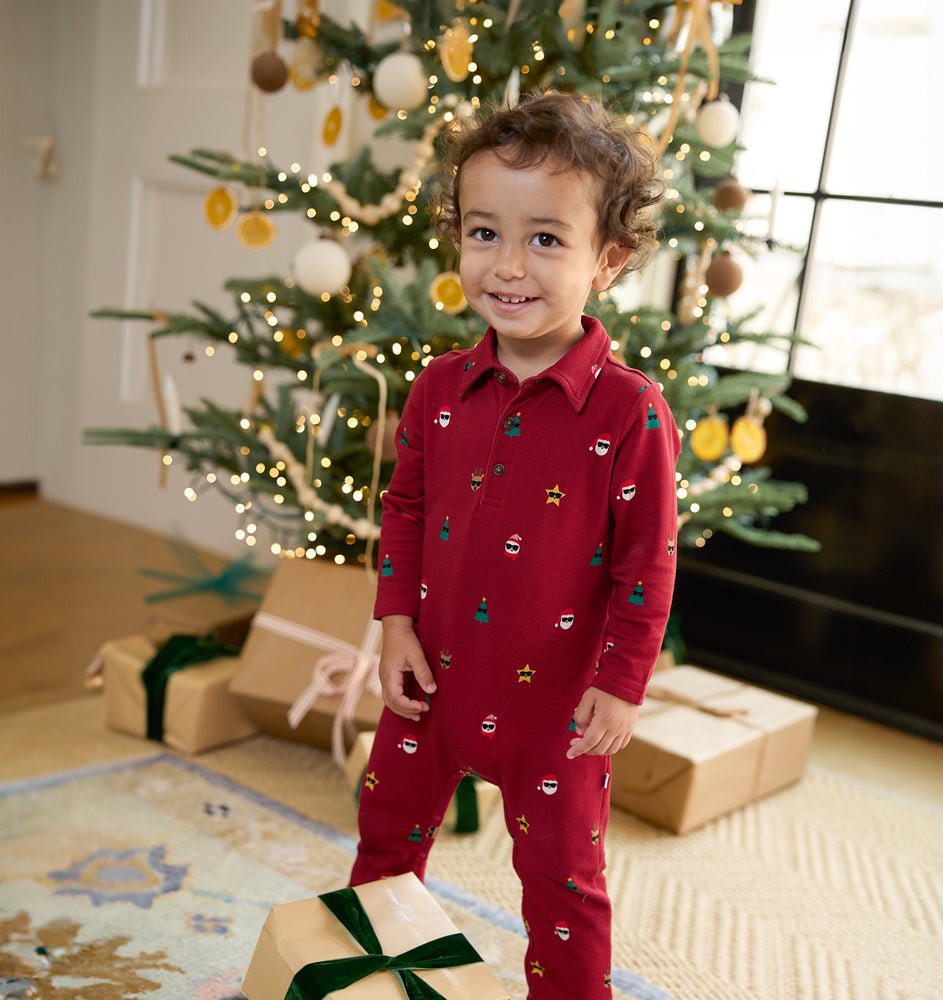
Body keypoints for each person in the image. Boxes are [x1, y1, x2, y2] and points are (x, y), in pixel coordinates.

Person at [349, 91, 680, 1000]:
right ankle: (371, 977)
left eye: (545, 240)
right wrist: (395, 623)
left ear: (606, 260)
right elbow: (407, 509)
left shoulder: (632, 414)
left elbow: (645, 563)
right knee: (384, 835)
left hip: (558, 713)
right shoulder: (438, 388)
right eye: (484, 232)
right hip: (435, 680)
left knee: (562, 886)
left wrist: (621, 683)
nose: (507, 266)